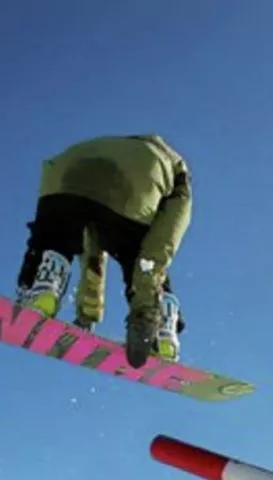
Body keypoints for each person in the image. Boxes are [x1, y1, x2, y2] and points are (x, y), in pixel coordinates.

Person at [14, 133, 192, 368]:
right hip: (138, 182)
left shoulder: (113, 145)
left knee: (54, 237)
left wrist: (87, 317)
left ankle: (43, 285)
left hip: (66, 170)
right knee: (138, 256)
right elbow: (157, 251)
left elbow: (93, 251)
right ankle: (163, 327)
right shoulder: (177, 173)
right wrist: (145, 311)